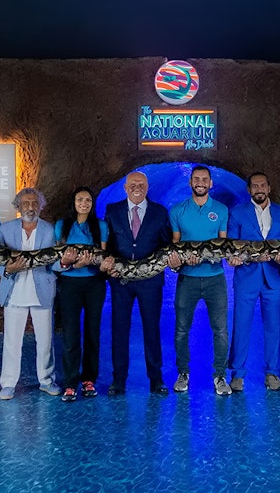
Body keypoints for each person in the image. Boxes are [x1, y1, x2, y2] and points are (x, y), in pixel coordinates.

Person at [0, 188, 78, 400]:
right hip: (14, 291)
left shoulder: (50, 231)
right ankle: (8, 383)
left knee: (45, 341)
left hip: (42, 291)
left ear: (41, 206)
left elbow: (54, 265)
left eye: (34, 203)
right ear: (18, 207)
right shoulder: (5, 230)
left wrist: (66, 262)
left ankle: (46, 380)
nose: (30, 207)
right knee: (12, 341)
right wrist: (7, 270)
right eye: (25, 203)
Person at [102, 171, 172, 396]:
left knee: (152, 329)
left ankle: (156, 379)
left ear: (147, 187)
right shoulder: (112, 211)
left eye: (141, 184)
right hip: (120, 281)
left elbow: (166, 244)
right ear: (125, 187)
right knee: (119, 329)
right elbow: (108, 245)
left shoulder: (160, 213)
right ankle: (118, 380)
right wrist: (109, 262)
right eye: (133, 184)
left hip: (150, 282)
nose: (137, 187)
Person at [168, 165, 231, 395]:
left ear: (211, 183)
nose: (200, 182)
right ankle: (183, 373)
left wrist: (228, 258)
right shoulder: (177, 211)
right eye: (196, 179)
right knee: (182, 329)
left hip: (215, 279)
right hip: (187, 279)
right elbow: (175, 244)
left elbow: (223, 245)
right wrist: (180, 261)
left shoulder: (222, 210)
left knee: (221, 330)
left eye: (205, 179)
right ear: (190, 182)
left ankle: (220, 376)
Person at [226, 172, 280, 392]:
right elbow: (232, 247)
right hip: (246, 278)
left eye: (263, 185)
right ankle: (237, 375)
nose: (259, 189)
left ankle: (272, 374)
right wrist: (234, 259)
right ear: (249, 190)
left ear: (269, 188)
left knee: (273, 328)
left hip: (273, 278)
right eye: (255, 186)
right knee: (241, 326)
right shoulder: (237, 213)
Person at [55, 187, 109, 401]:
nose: (84, 203)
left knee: (92, 331)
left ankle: (88, 380)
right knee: (70, 334)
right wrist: (73, 263)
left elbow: (103, 255)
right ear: (73, 202)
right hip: (69, 283)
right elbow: (57, 258)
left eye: (88, 200)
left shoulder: (100, 226)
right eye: (80, 199)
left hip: (94, 283)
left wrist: (93, 263)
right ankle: (70, 382)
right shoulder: (62, 225)